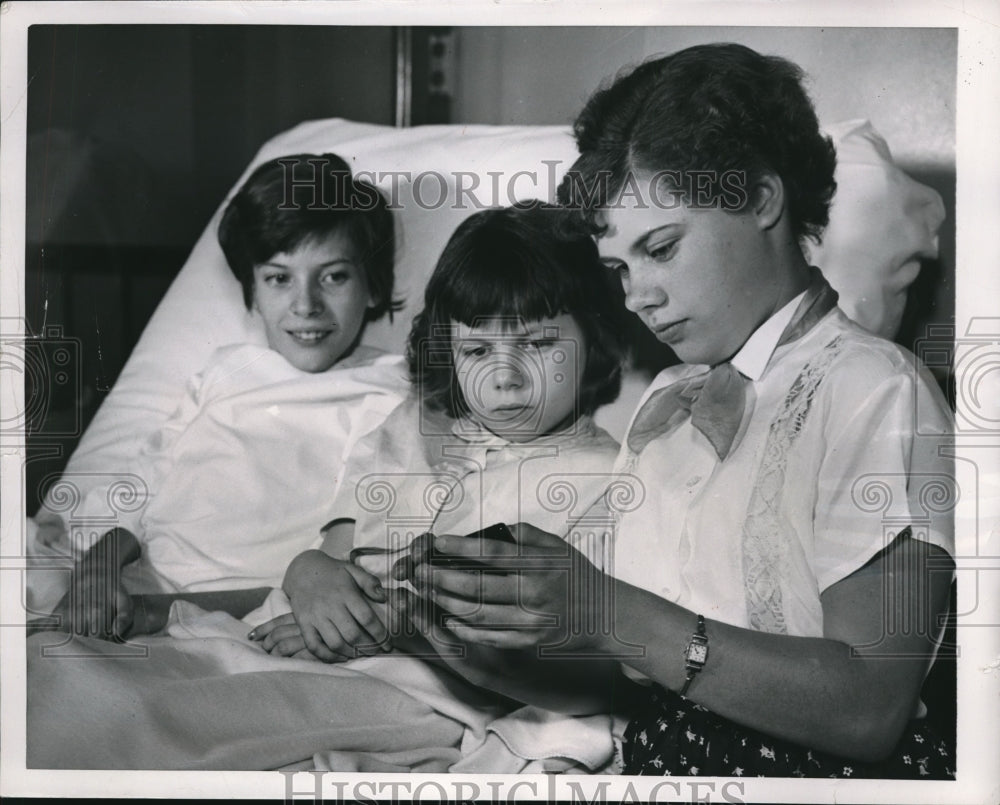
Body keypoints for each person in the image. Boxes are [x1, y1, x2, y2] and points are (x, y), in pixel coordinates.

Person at [387, 43, 957, 778]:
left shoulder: (878, 389)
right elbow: (646, 684)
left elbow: (869, 707)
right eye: (620, 268)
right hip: (659, 758)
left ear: (760, 197)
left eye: (661, 247)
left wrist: (607, 608)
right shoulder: (667, 401)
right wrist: (467, 641)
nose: (636, 297)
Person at [250, 203, 629, 679]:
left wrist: (407, 627)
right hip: (306, 639)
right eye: (476, 350)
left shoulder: (607, 478)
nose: (505, 378)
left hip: (432, 687)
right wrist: (306, 573)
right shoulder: (412, 423)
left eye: (536, 345)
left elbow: (572, 659)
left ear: (595, 338)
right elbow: (333, 557)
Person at [42, 153, 407, 640]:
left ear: (374, 286)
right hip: (125, 588)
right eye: (279, 278)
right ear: (252, 291)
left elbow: (334, 575)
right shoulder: (224, 370)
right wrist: (96, 572)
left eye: (334, 276)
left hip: (235, 620)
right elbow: (143, 486)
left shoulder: (392, 392)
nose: (306, 305)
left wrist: (161, 611)